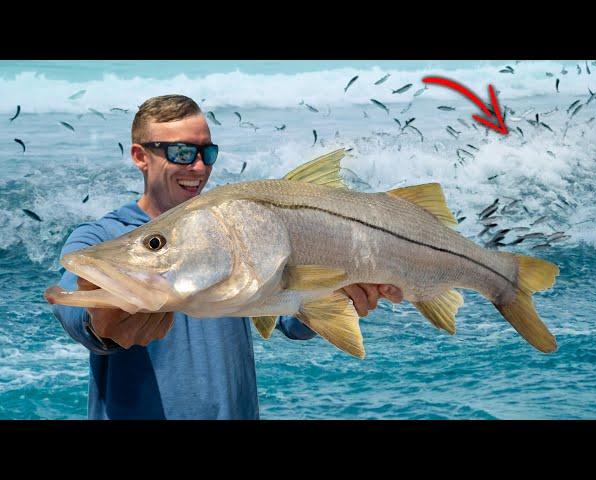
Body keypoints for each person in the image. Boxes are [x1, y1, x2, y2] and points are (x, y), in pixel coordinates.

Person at [51, 94, 404, 420]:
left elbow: (290, 320)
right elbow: (77, 313)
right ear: (141, 156)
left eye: (208, 153)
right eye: (182, 153)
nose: (200, 168)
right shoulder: (99, 237)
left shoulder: (231, 224)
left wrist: (341, 295)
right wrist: (103, 320)